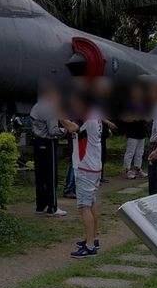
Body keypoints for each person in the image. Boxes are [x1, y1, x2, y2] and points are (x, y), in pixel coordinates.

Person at [60, 92, 104, 258]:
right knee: (91, 204)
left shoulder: (86, 117)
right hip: (94, 165)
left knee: (83, 207)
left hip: (85, 167)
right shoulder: (95, 115)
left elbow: (72, 127)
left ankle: (90, 246)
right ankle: (93, 238)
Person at [29, 84, 67, 216]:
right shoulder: (51, 109)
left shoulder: (37, 106)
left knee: (40, 176)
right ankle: (52, 207)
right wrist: (65, 130)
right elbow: (53, 130)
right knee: (51, 177)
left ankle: (41, 205)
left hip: (37, 142)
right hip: (49, 142)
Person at [121, 84, 148, 179]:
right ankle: (128, 170)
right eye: (136, 93)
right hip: (132, 132)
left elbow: (148, 118)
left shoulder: (143, 104)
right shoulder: (129, 105)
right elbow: (124, 118)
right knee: (130, 152)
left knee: (140, 152)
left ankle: (138, 169)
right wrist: (134, 118)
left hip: (141, 132)